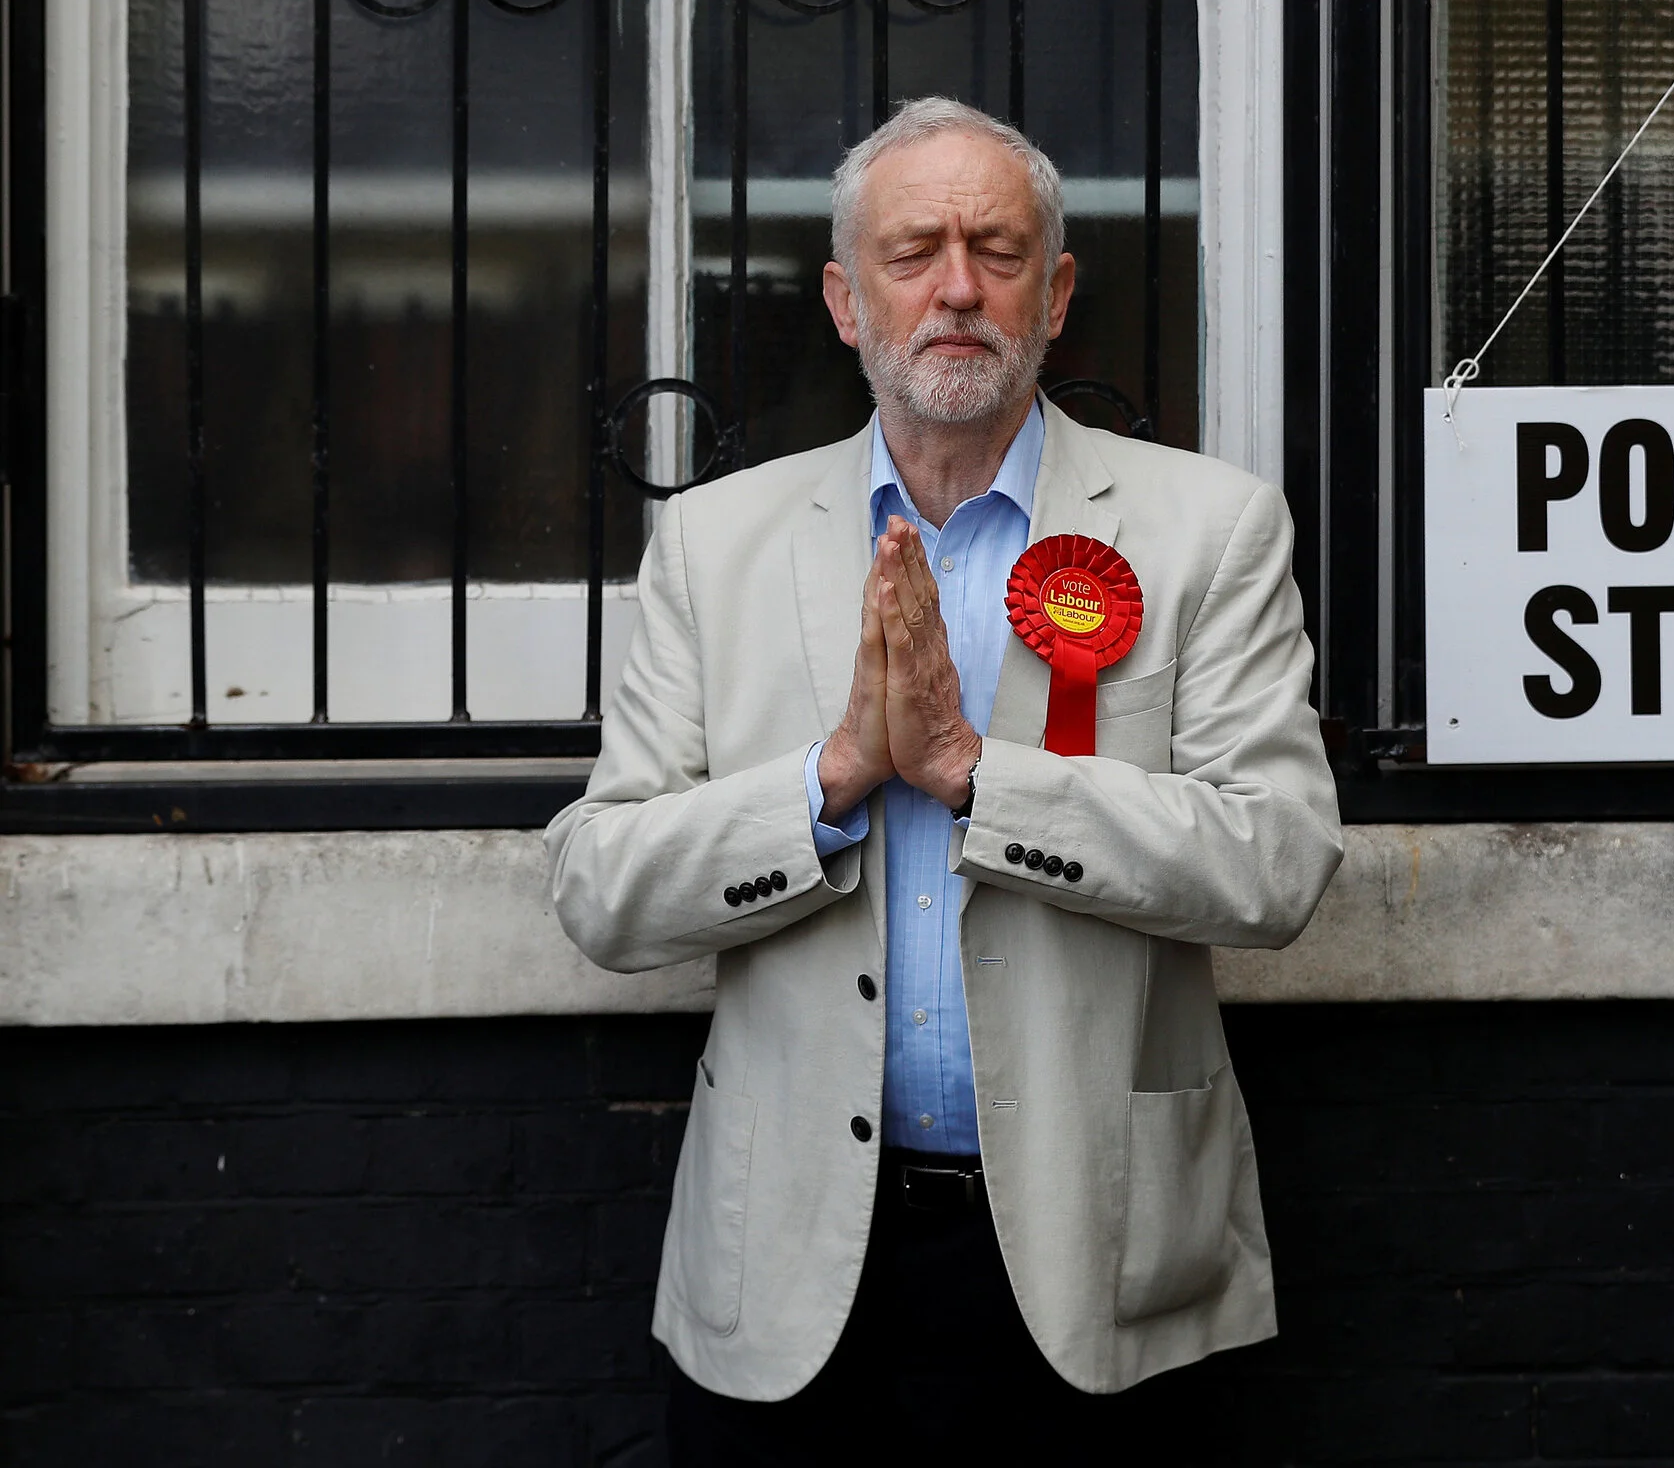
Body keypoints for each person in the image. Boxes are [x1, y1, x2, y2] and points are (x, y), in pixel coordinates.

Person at [545, 97, 1343, 1459]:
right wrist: (835, 776)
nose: (958, 287)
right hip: (791, 1273)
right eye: (915, 252)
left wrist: (983, 779)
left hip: (1102, 1259)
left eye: (999, 249)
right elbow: (600, 891)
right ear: (849, 302)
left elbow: (1276, 866)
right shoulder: (712, 546)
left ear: (1059, 290)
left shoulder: (1208, 531)